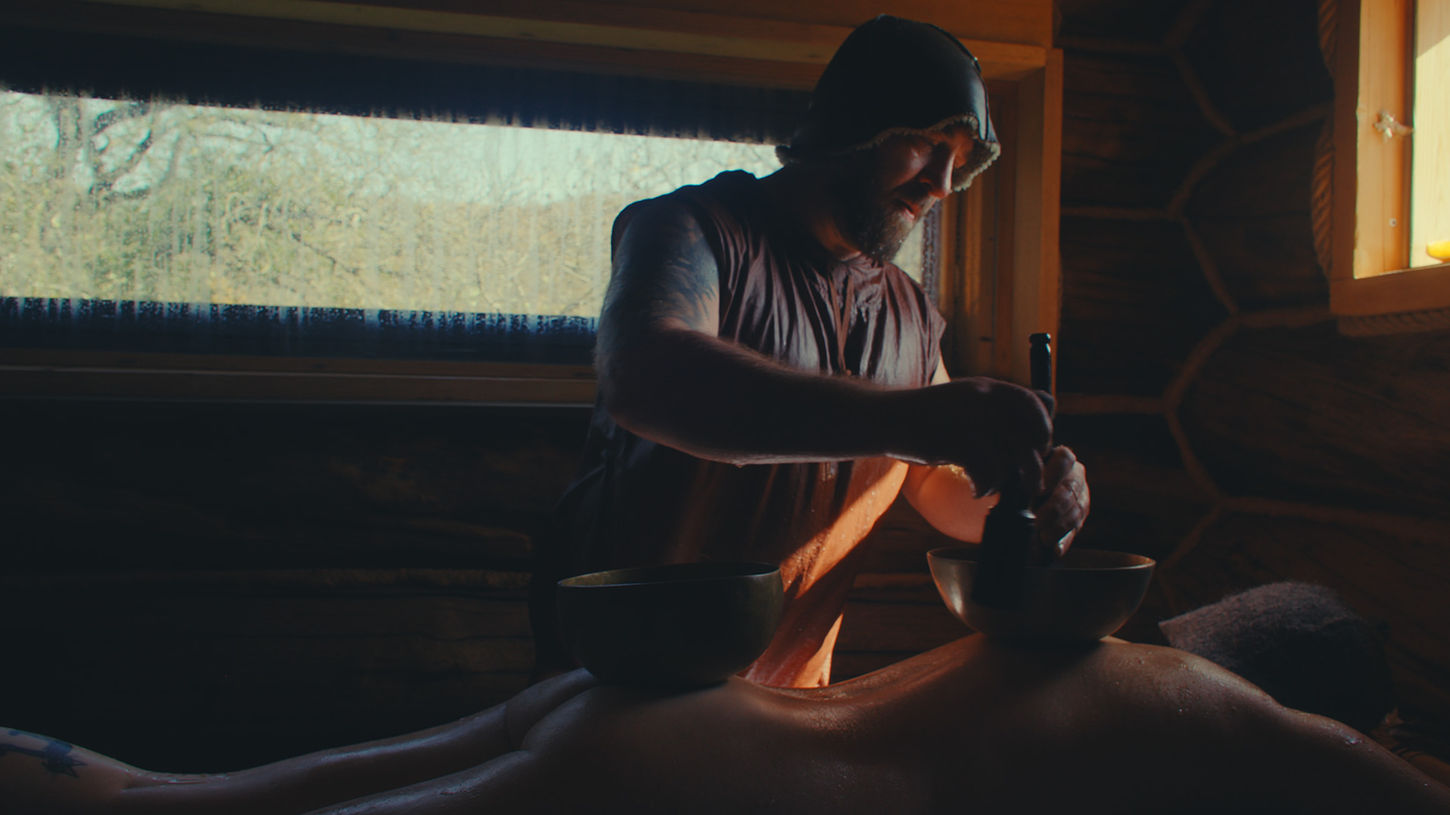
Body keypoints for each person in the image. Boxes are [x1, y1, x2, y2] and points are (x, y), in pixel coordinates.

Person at [531, 14, 1091, 687]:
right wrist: (916, 420)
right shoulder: (694, 230)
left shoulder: (910, 315)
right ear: (854, 123)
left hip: (791, 717)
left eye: (960, 161)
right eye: (924, 142)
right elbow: (643, 373)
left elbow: (938, 485)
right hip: (626, 699)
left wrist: (1034, 497)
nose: (941, 182)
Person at [6, 633, 1450, 814]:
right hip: (712, 776)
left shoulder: (1117, 654)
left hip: (652, 694)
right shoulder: (1226, 714)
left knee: (171, 798)